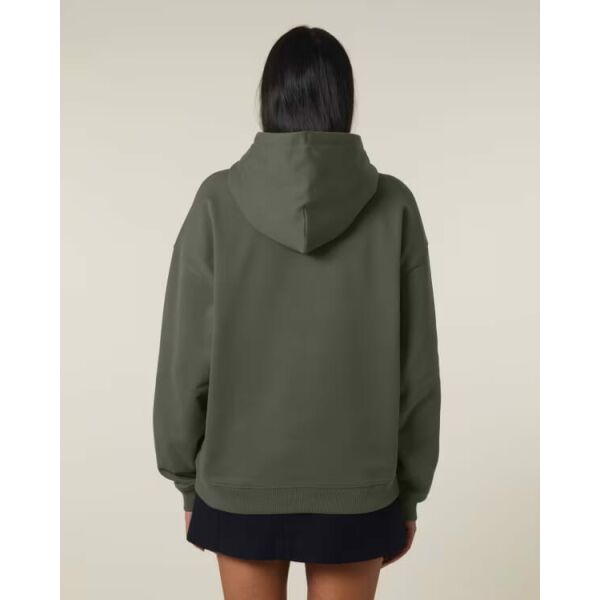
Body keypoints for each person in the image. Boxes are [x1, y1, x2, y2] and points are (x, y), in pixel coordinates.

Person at [153, 25, 441, 600]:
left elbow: (185, 362)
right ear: (344, 100)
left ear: (269, 99)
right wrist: (408, 492)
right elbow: (417, 373)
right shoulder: (394, 206)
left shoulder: (216, 202)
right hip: (358, 490)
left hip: (239, 485)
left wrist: (186, 479)